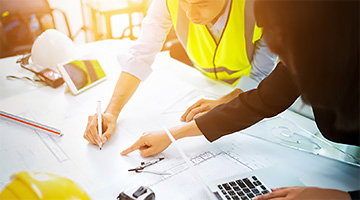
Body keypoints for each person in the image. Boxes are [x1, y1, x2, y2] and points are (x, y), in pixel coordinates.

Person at [121, 0, 359, 199]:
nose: (276, 56)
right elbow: (261, 100)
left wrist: (342, 196)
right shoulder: (304, 54)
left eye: (285, 43)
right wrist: (174, 134)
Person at [84, 0, 278, 146]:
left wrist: (224, 101)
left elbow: (260, 76)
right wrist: (111, 112)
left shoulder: (263, 7)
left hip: (249, 92)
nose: (190, 13)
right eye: (184, 1)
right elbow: (139, 57)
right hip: (204, 83)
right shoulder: (168, 2)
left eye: (202, 3)